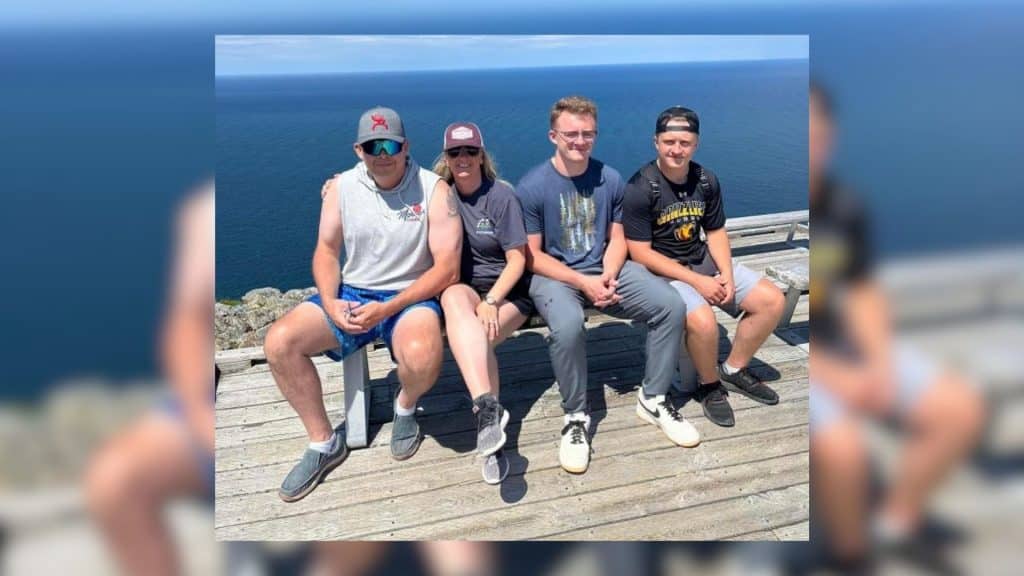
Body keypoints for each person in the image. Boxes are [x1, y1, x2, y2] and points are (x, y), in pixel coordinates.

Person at [808, 81, 984, 569]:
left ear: (831, 137)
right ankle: (850, 555)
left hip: (845, 345)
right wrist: (838, 379)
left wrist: (880, 364)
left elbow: (862, 290)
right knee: (844, 451)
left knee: (961, 410)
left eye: (818, 136)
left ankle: (894, 525)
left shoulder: (845, 206)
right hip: (802, 356)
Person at [264, 107, 462, 502]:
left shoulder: (434, 189)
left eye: (390, 145)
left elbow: (447, 269)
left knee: (423, 356)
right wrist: (331, 300)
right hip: (353, 294)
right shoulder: (341, 188)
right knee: (279, 342)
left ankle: (404, 406)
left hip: (410, 296)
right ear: (358, 150)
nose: (382, 154)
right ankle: (323, 442)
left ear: (406, 147)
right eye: (373, 146)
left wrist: (388, 308)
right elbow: (326, 251)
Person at [516, 95, 692, 475]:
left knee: (671, 305)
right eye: (571, 134)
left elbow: (618, 238)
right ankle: (575, 416)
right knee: (567, 326)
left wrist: (607, 275)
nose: (580, 141)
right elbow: (533, 256)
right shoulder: (532, 186)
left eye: (588, 134)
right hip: (556, 276)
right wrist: (584, 282)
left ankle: (653, 397)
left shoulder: (609, 178)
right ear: (553, 136)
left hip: (605, 269)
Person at [622, 106, 786, 428]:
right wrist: (698, 283)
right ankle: (709, 385)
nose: (676, 150)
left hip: (701, 260)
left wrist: (726, 274)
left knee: (771, 301)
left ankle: (733, 369)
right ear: (656, 142)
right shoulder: (641, 187)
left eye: (685, 143)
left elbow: (715, 231)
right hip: (663, 272)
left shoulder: (706, 180)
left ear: (695, 144)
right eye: (669, 142)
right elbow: (640, 253)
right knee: (703, 320)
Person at [85, 183, 215, 576]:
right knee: (114, 481)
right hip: (206, 398)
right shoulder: (206, 209)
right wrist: (199, 415)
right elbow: (187, 320)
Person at [432, 122, 532, 485]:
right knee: (452, 296)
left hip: (508, 291)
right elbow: (393, 178)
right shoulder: (440, 194)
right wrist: (340, 182)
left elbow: (518, 260)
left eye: (470, 151)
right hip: (466, 290)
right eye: (455, 152)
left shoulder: (501, 196)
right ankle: (489, 411)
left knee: (478, 337)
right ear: (446, 157)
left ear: (481, 156)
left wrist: (492, 300)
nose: (463, 158)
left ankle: (492, 442)